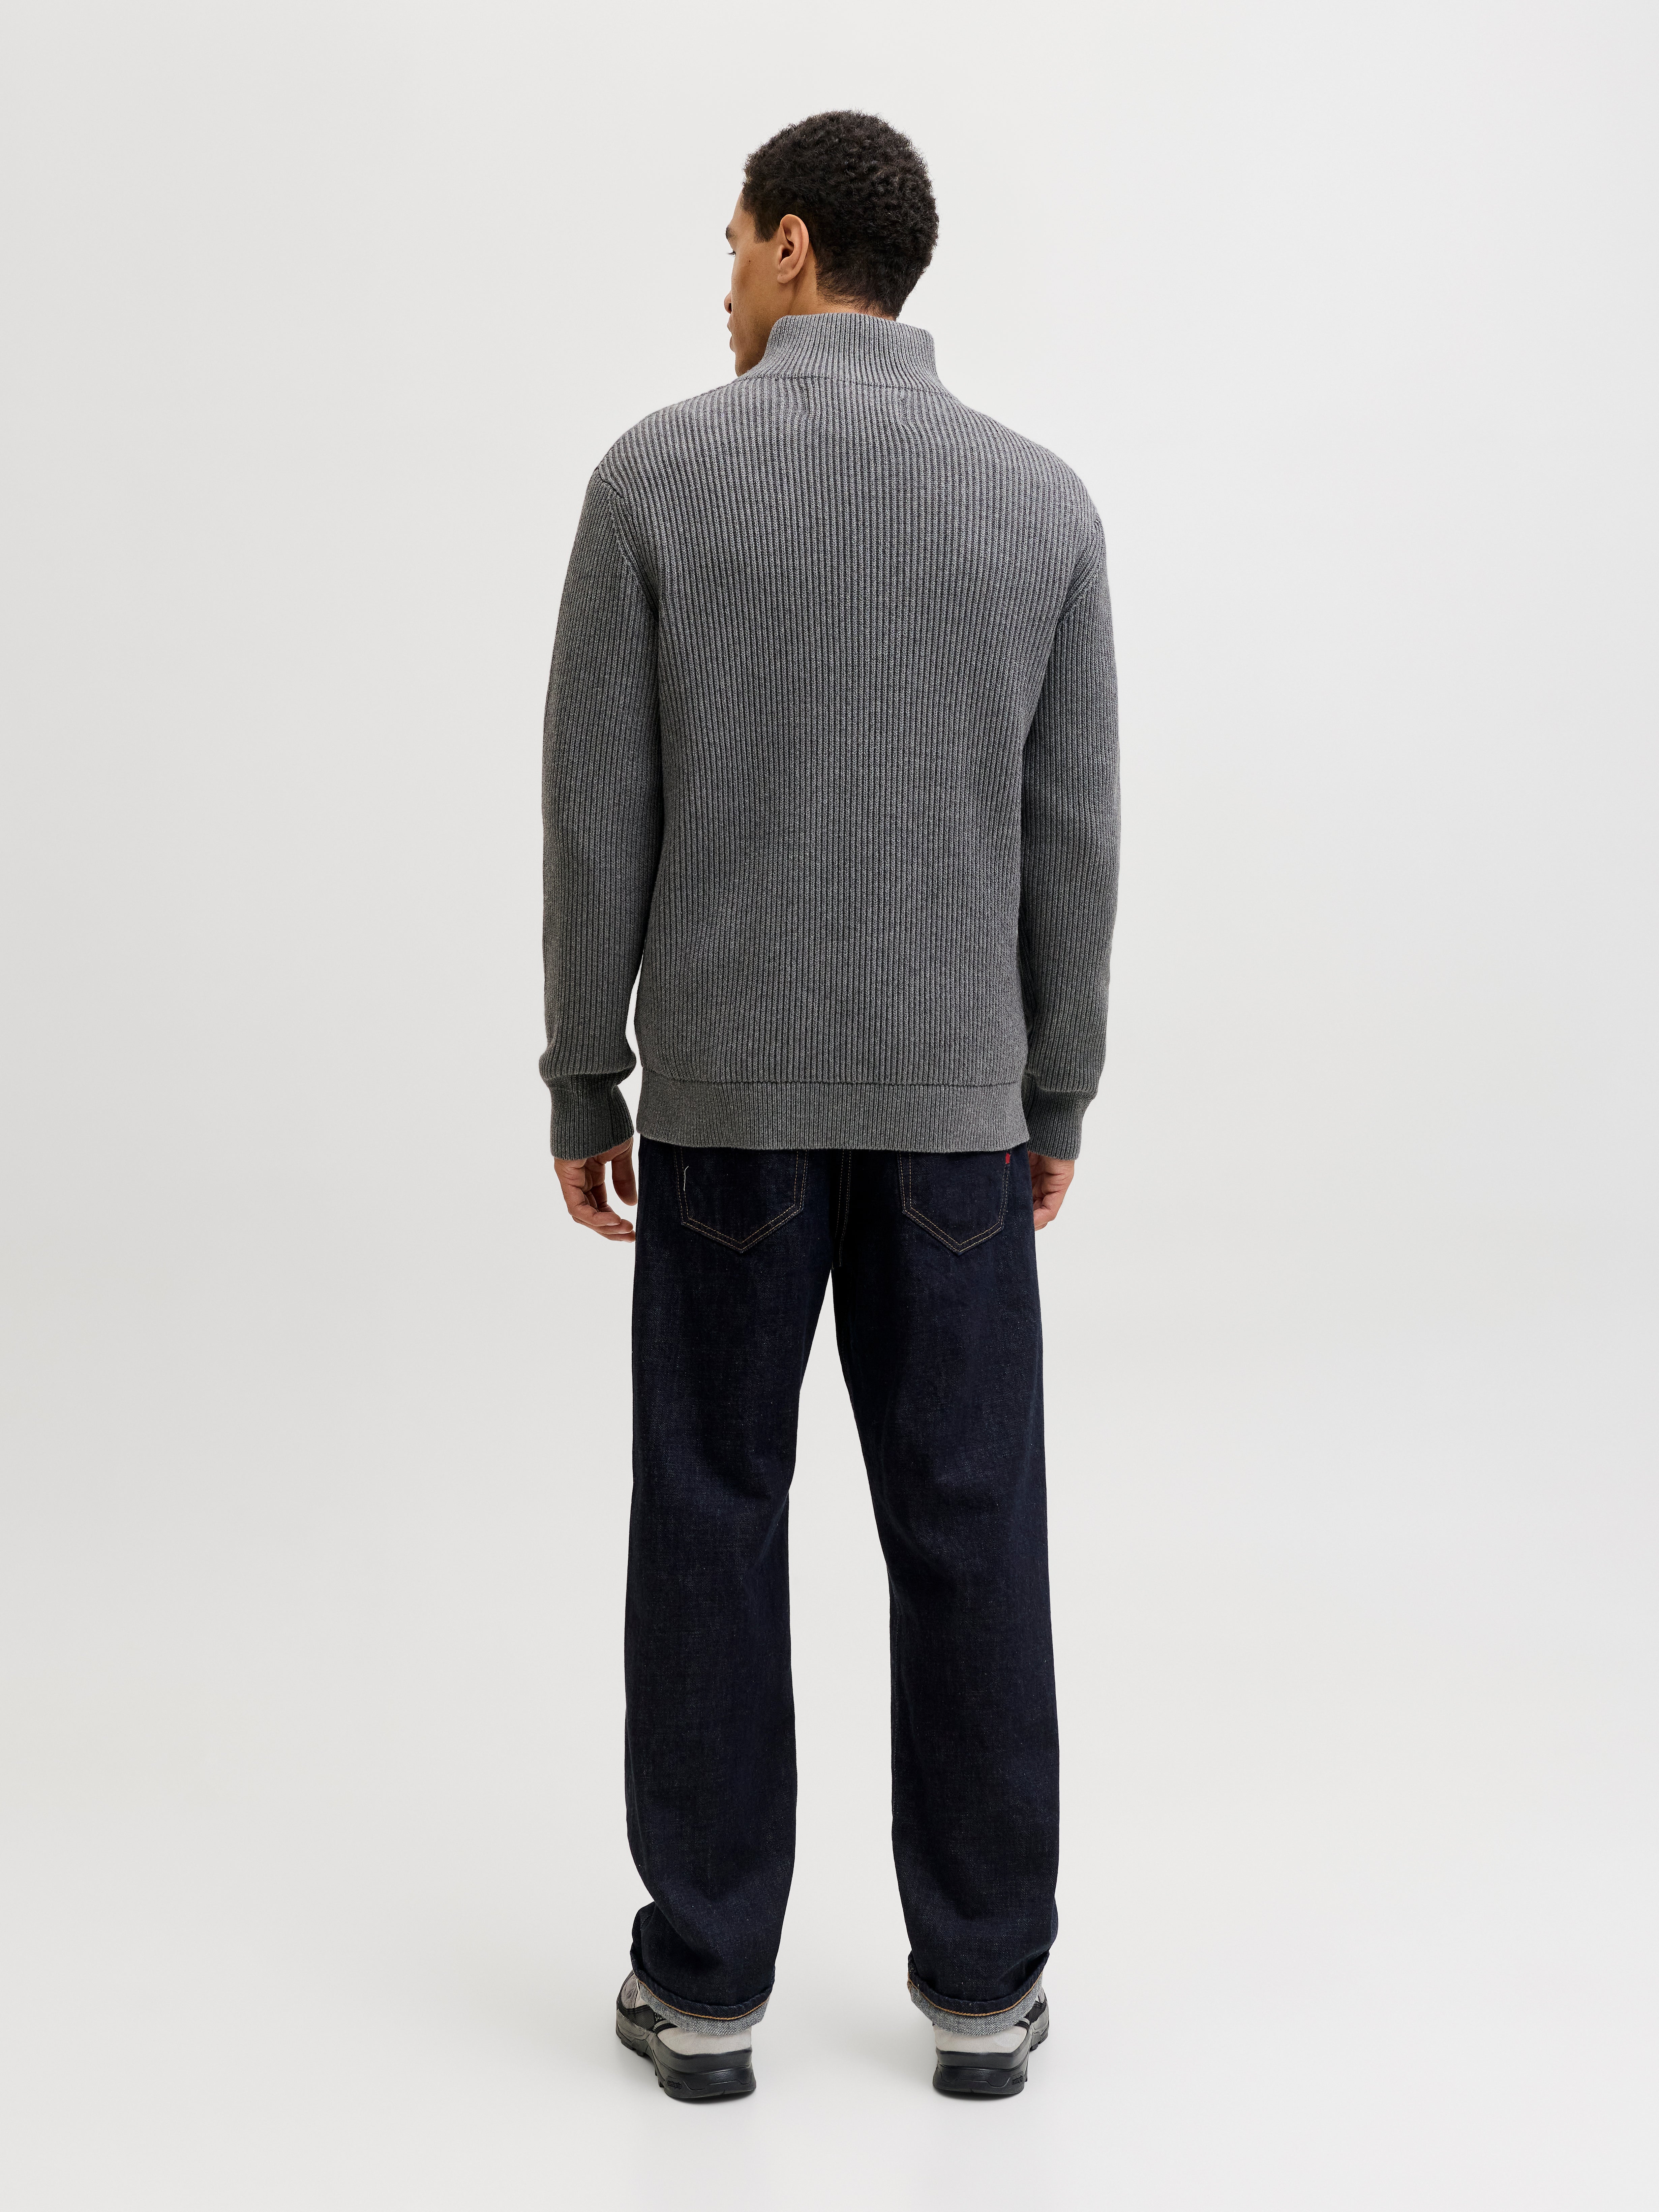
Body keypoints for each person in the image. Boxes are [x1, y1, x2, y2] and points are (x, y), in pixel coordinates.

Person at [541, 110, 1119, 2101]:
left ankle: (705, 1986)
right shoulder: (1039, 505)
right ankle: (984, 1989)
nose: (721, 283)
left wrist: (585, 1069)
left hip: (726, 1110)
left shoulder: (655, 477)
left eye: (732, 245)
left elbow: (595, 808)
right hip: (959, 1113)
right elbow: (1075, 833)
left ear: (796, 247)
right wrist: (1057, 1086)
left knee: (713, 1516)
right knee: (972, 1528)